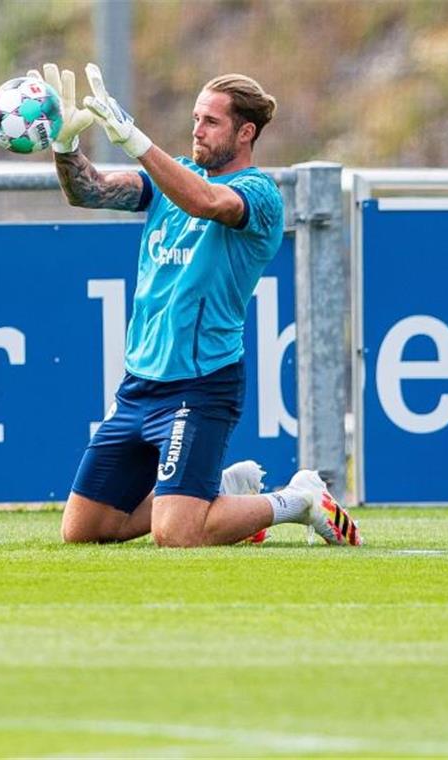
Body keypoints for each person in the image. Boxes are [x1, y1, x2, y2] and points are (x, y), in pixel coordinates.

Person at [31, 61, 362, 548]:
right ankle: (221, 492)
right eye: (194, 119)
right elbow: (89, 191)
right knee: (84, 531)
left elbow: (207, 202)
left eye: (211, 122)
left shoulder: (260, 196)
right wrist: (65, 146)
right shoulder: (174, 179)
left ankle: (300, 500)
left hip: (201, 384)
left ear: (245, 132)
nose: (197, 131)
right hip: (138, 384)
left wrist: (136, 141)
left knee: (177, 536)